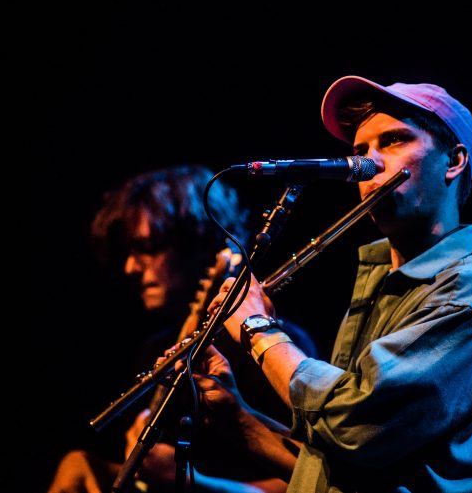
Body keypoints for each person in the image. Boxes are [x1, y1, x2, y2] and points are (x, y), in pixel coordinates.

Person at [203, 76, 472, 492]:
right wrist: (240, 420)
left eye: (393, 141)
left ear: (454, 161)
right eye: (359, 151)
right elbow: (336, 462)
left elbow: (353, 424)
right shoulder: (379, 280)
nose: (368, 165)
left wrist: (258, 329)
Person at [46, 164, 318, 493]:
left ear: (199, 244)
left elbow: (312, 479)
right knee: (77, 466)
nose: (130, 267)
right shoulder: (155, 348)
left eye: (148, 248)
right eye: (130, 252)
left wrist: (192, 483)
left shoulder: (272, 350)